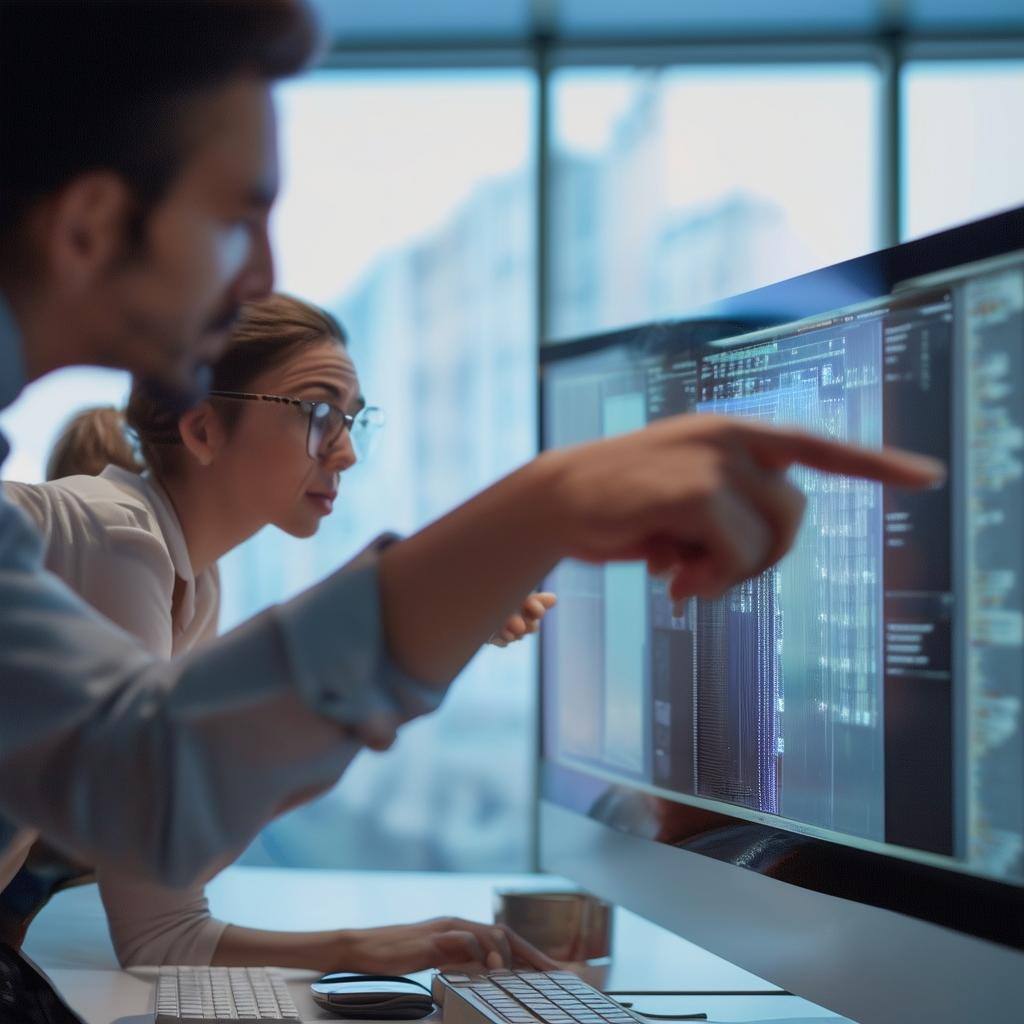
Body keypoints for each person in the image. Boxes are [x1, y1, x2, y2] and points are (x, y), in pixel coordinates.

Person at [0, 0, 943, 938]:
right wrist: (543, 505)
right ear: (89, 226)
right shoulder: (120, 534)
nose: (264, 269)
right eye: (238, 217)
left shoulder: (176, 575)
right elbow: (153, 803)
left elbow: (152, 802)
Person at [1, 292, 555, 971]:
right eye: (321, 414)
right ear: (202, 430)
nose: (346, 453)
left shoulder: (192, 582)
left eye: (354, 420)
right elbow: (161, 900)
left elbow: (169, 906)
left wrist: (368, 947)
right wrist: (360, 949)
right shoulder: (117, 535)